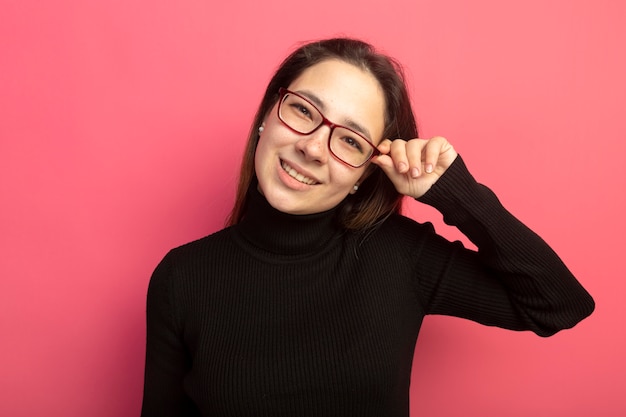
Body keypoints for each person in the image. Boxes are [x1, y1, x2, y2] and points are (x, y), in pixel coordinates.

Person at [140, 38, 594, 417]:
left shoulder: (399, 256)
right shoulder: (181, 278)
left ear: (363, 174)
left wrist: (455, 194)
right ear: (267, 114)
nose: (315, 149)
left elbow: (558, 304)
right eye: (303, 111)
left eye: (350, 140)